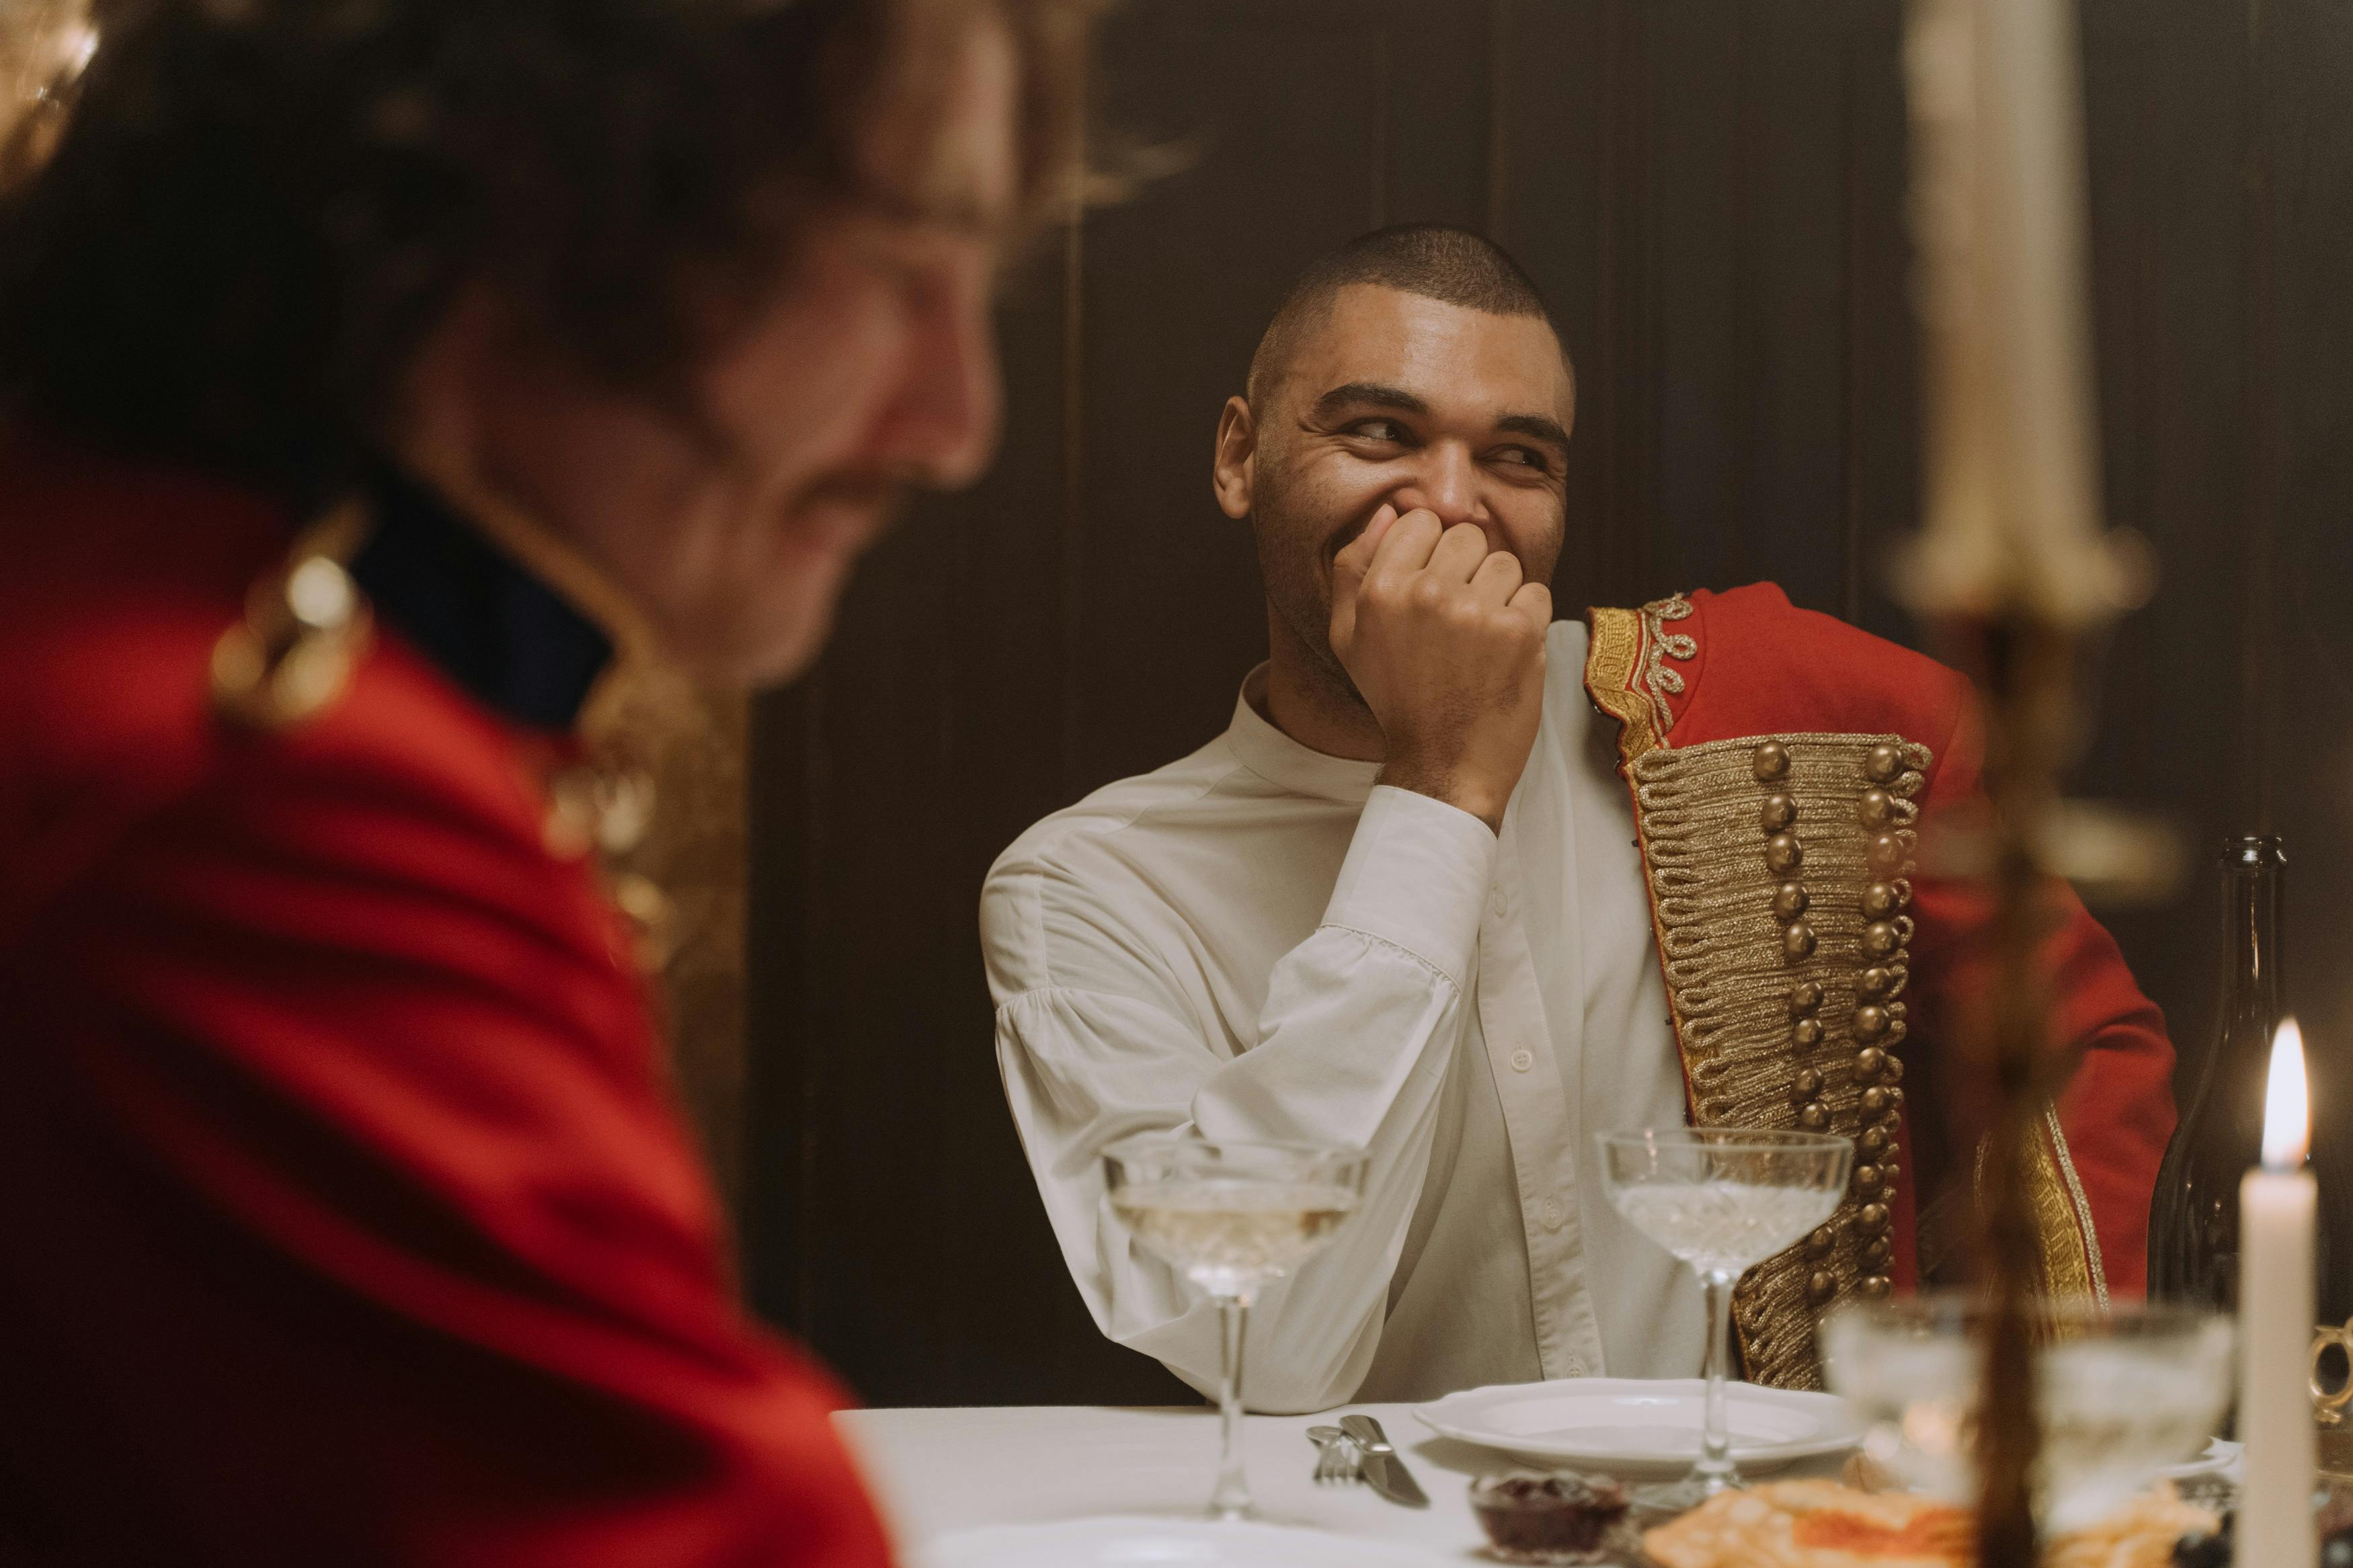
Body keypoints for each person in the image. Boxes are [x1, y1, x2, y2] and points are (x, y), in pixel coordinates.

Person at [0, 0, 1088, 1561]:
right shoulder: (248, 802)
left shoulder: (151, 580)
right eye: (893, 257)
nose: (954, 421)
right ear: (505, 197)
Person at [982, 224, 2174, 1413]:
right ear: (1242, 457)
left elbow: (2073, 1045)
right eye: (1379, 432)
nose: (1451, 504)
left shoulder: (1749, 711)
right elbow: (1270, 1342)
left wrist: (2002, 1431)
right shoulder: (1090, 890)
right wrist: (1440, 782)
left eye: (1516, 457)